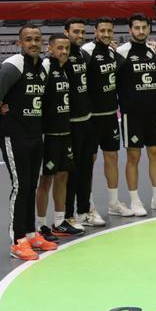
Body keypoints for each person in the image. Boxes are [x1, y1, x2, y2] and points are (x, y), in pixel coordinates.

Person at [0, 24, 58, 260]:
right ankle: (17, 241)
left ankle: (30, 233)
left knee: (30, 185)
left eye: (37, 39)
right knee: (20, 186)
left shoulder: (43, 68)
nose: (33, 43)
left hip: (34, 134)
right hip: (14, 135)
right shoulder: (12, 66)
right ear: (20, 43)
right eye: (28, 39)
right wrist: (2, 120)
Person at [115, 13, 156, 215]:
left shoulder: (152, 50)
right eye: (137, 28)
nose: (141, 31)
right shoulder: (121, 52)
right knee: (133, 156)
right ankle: (134, 200)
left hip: (154, 111)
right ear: (130, 30)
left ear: (149, 29)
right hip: (132, 113)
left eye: (144, 27)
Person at [81, 17, 133, 217]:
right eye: (102, 30)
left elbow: (124, 66)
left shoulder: (112, 51)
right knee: (90, 161)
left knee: (112, 157)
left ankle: (113, 203)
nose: (106, 34)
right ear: (95, 31)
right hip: (92, 117)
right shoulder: (87, 52)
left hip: (111, 114)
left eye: (109, 31)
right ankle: (88, 206)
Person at [36, 34, 82, 240]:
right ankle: (41, 225)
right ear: (50, 49)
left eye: (66, 48)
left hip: (65, 131)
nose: (64, 51)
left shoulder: (63, 70)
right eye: (60, 48)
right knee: (46, 179)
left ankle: (59, 221)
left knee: (63, 175)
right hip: (49, 134)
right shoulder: (45, 66)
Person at [62, 18, 103, 229]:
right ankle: (67, 215)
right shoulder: (58, 57)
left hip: (87, 121)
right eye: (75, 32)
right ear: (66, 32)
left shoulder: (82, 55)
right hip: (69, 124)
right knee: (71, 171)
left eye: (82, 32)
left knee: (86, 168)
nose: (79, 35)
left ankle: (84, 210)